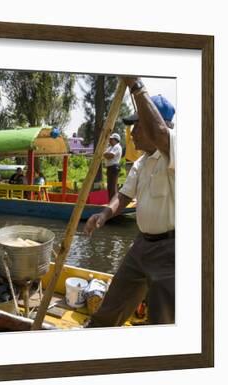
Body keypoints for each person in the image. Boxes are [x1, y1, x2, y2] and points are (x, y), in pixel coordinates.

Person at [85, 77, 176, 327]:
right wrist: (103, 215)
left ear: (159, 125)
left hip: (172, 250)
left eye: (138, 126)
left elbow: (160, 134)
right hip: (142, 245)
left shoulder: (178, 150)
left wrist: (135, 85)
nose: (132, 133)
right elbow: (124, 195)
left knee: (163, 320)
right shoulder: (141, 162)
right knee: (112, 305)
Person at [103, 133, 123, 201]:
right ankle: (111, 201)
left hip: (114, 168)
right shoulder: (111, 147)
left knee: (112, 186)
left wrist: (105, 154)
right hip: (110, 168)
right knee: (109, 186)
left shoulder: (117, 147)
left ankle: (113, 202)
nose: (110, 140)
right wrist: (105, 154)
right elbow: (105, 154)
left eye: (111, 139)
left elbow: (110, 155)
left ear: (116, 140)